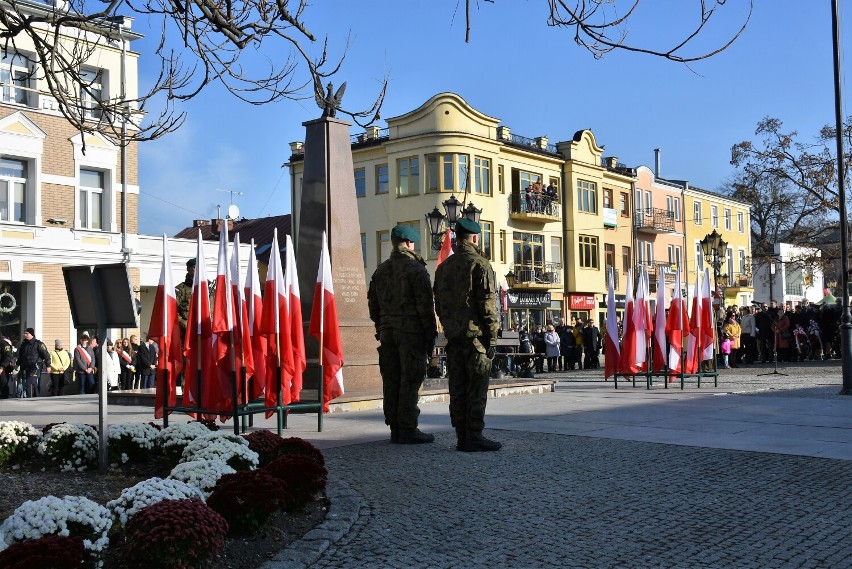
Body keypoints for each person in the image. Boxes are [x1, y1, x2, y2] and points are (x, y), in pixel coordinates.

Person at [434, 218, 501, 452]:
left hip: (454, 339)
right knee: (476, 387)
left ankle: (461, 435)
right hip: (476, 339)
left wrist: (450, 326)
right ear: (474, 238)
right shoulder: (480, 264)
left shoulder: (444, 267)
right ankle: (474, 435)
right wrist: (492, 337)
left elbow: (439, 304)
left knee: (458, 388)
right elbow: (487, 305)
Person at [367, 225, 437, 445]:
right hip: (411, 334)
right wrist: (430, 336)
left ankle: (395, 428)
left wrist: (382, 327)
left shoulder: (380, 270)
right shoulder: (416, 270)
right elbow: (425, 308)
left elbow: (373, 306)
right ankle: (408, 428)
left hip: (387, 334)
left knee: (391, 380)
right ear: (408, 243)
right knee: (410, 379)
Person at [16, 328, 50, 398]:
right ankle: (36, 398)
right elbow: (21, 356)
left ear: (31, 334)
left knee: (29, 384)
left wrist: (48, 365)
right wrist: (17, 364)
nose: (24, 335)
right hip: (25, 367)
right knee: (33, 384)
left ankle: (30, 399)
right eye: (24, 333)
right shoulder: (24, 344)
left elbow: (46, 355)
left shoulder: (38, 344)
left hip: (35, 367)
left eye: (26, 333)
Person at [0, 333, 16, 399]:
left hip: (3, 368)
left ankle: (4, 399)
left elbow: (8, 356)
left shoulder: (4, 344)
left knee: (3, 384)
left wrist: (2, 367)